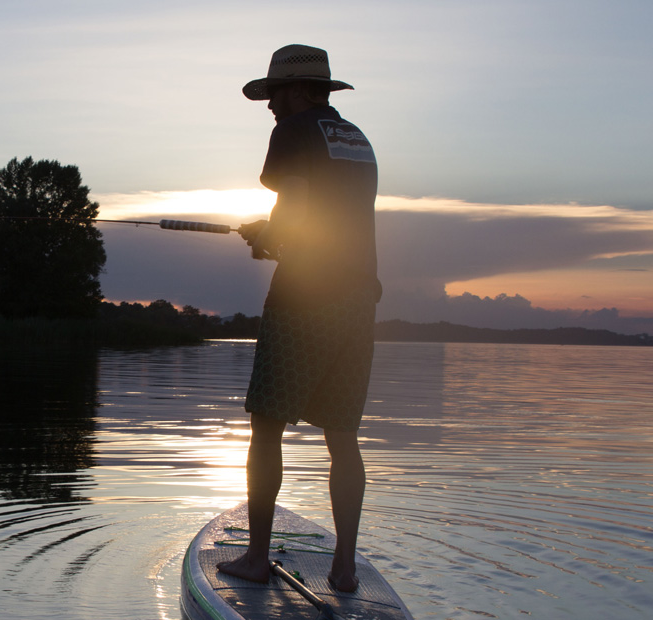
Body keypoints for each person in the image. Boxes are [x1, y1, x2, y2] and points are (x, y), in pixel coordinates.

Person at [216, 44, 382, 593]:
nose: (268, 106)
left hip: (305, 298)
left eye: (273, 94)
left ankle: (257, 558)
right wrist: (275, 233)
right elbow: (331, 212)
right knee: (343, 436)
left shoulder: (292, 131)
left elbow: (300, 208)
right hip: (360, 299)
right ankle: (345, 566)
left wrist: (269, 235)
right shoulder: (356, 139)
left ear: (296, 90)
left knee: (266, 425)